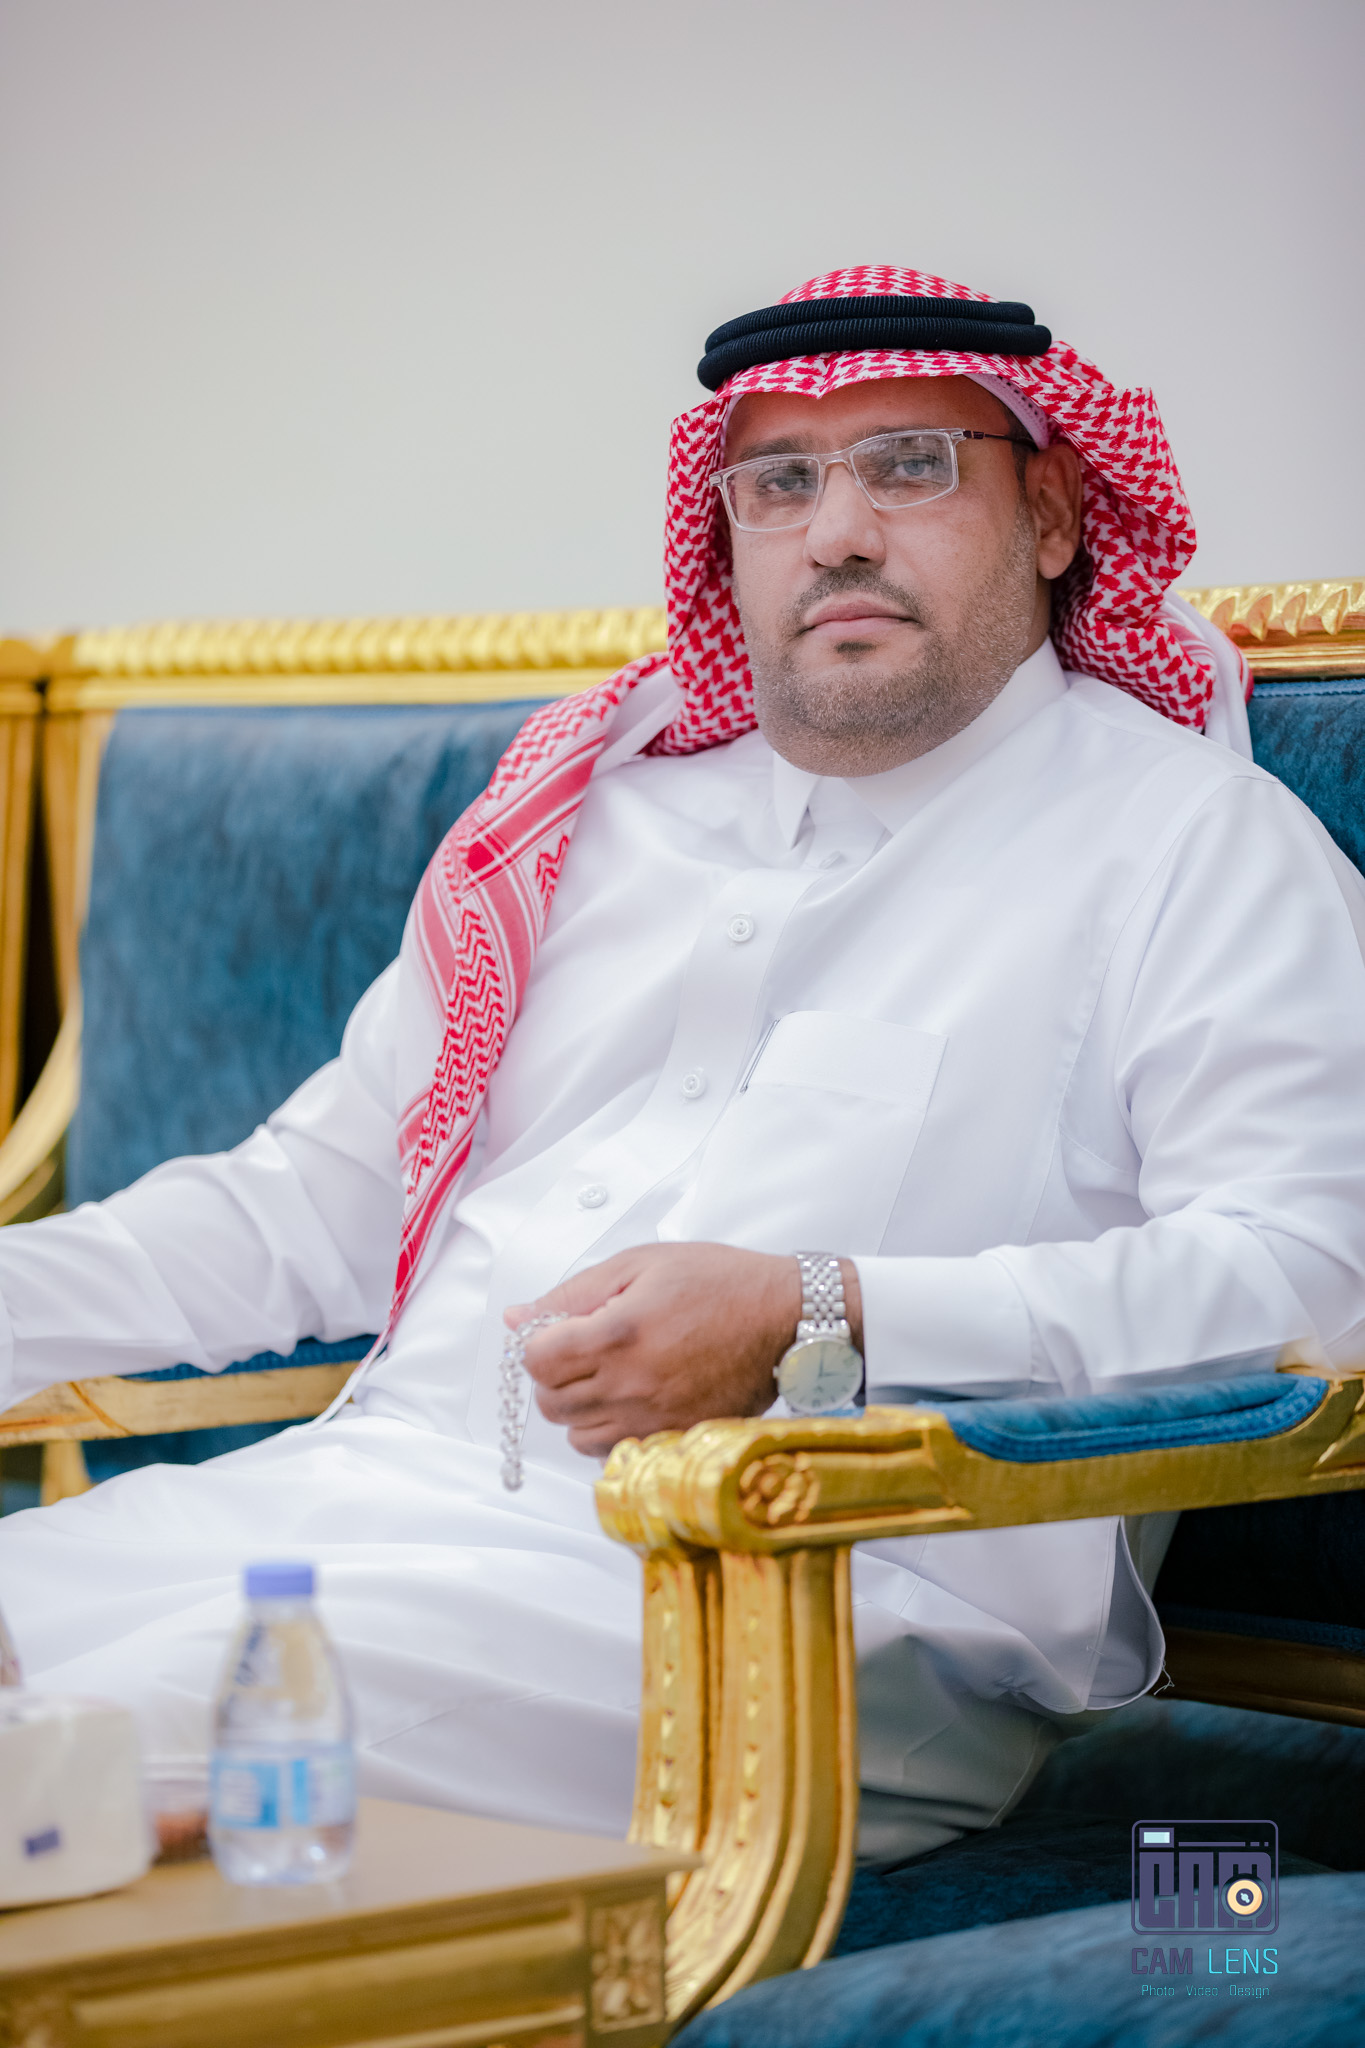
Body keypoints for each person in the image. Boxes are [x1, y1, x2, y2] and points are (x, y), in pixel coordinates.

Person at [1, 265, 1363, 1865]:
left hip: (790, 1610)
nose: (835, 531)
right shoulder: (597, 816)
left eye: (909, 466)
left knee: (86, 1753)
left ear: (1055, 512)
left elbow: (1312, 1281)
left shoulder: (1185, 844)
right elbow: (310, 1205)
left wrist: (818, 1313)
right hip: (354, 1506)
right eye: (778, 483)